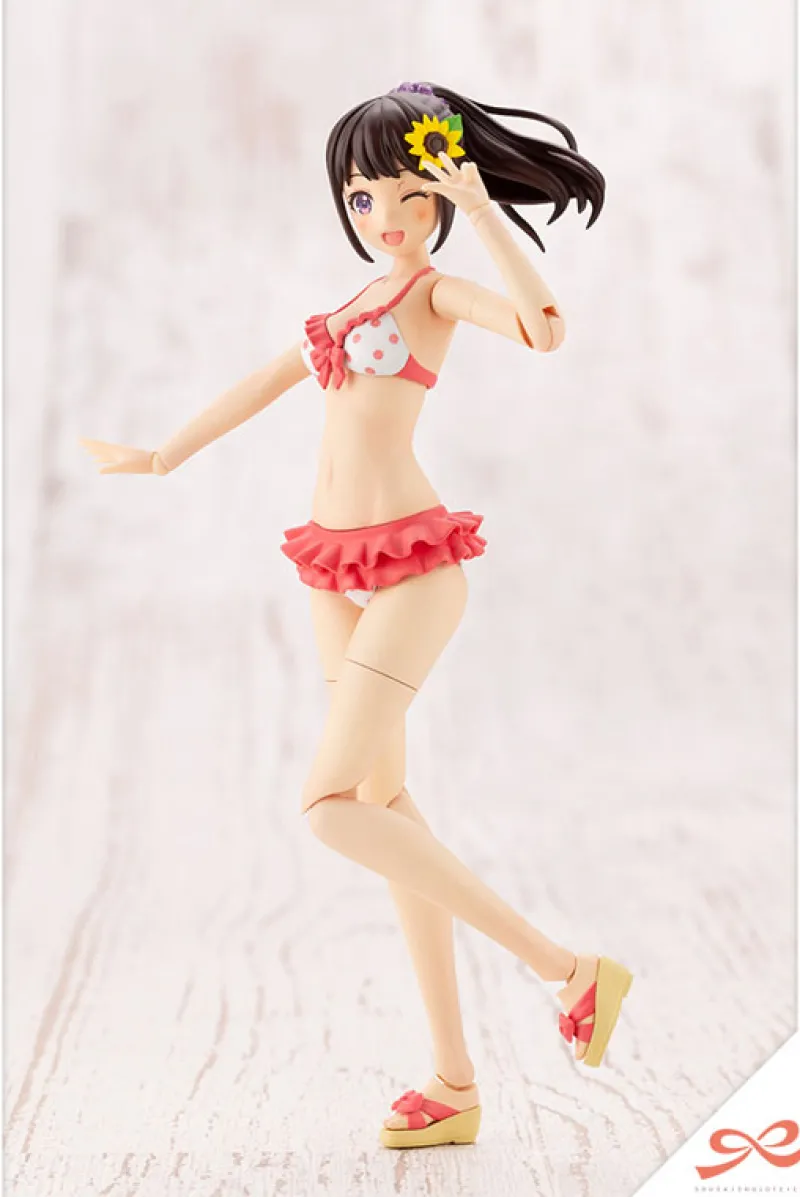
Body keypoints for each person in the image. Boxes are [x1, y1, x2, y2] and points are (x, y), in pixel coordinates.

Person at [81, 81, 633, 1150]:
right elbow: (261, 383)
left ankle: (567, 969)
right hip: (332, 570)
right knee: (384, 806)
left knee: (330, 807)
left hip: (412, 568)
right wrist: (160, 455)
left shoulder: (435, 291)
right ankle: (454, 1083)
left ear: (435, 197)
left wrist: (479, 210)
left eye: (405, 195)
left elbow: (543, 328)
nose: (383, 216)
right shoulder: (350, 306)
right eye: (361, 196)